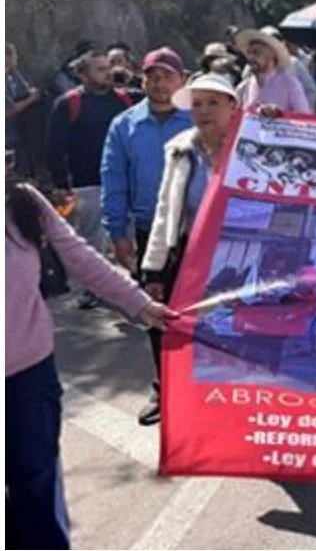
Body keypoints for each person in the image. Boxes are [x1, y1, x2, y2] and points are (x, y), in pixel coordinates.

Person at [7, 174, 175, 550]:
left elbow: (79, 256)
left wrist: (139, 303)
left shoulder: (23, 202)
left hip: (27, 377)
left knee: (35, 491)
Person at [98, 47, 193, 425]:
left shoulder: (199, 117)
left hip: (198, 230)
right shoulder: (124, 126)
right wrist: (117, 233)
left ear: (181, 80)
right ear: (142, 80)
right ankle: (165, 386)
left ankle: (199, 387)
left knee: (204, 311)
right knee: (157, 312)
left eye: (167, 75)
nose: (159, 82)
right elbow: (114, 178)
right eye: (152, 75)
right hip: (151, 232)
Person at [136, 74, 237, 426]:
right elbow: (166, 208)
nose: (204, 111)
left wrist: (273, 120)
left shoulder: (253, 144)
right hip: (190, 255)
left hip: (237, 258)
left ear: (232, 107)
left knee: (233, 334)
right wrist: (153, 268)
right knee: (164, 323)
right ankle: (167, 391)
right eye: (197, 103)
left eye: (213, 102)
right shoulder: (180, 149)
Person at [47, 50, 139, 309]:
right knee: (92, 240)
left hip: (126, 180)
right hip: (87, 182)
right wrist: (61, 185)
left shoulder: (127, 97)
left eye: (108, 67)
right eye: (100, 69)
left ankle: (136, 283)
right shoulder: (69, 103)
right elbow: (55, 147)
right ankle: (92, 288)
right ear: (83, 75)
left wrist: (134, 77)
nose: (108, 72)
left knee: (131, 235)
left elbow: (161, 99)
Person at [233, 28, 311, 114]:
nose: (250, 57)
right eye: (249, 53)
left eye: (256, 52)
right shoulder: (244, 86)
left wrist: (279, 115)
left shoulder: (290, 83)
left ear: (272, 54)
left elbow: (304, 119)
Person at [6, 43, 42, 177]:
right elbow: (7, 111)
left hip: (19, 135)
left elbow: (24, 90)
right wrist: (30, 100)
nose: (15, 58)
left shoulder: (11, 75)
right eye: (12, 55)